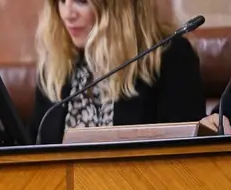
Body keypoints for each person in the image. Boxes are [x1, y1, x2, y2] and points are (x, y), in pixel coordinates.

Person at [31, 0, 205, 144]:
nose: (68, 14)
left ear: (117, 7)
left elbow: (183, 157)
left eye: (81, 1)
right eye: (60, 1)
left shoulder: (169, 57)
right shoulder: (57, 67)